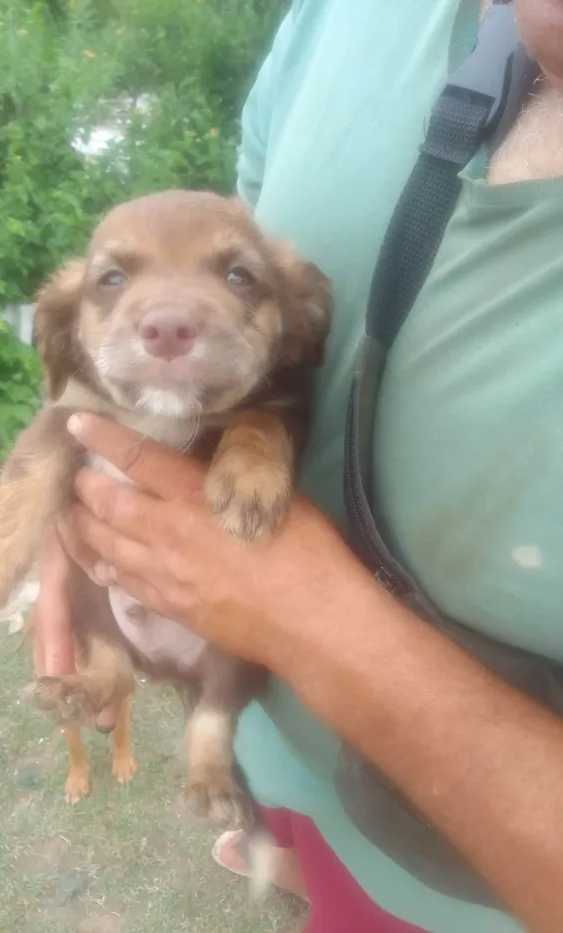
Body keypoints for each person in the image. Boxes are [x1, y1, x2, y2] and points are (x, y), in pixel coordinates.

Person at [35, 1, 563, 930]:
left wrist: (309, 623)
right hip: (293, 775)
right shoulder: (346, 13)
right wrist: (87, 463)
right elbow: (221, 262)